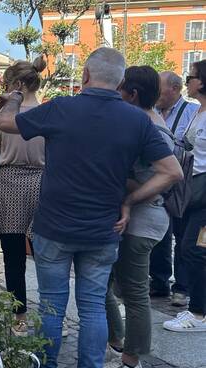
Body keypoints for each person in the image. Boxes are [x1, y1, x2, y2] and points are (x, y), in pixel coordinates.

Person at [0, 47, 183, 368]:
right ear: (120, 80)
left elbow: (7, 122)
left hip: (53, 227)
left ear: (84, 76)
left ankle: (48, 364)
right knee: (94, 306)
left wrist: (14, 95)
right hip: (103, 230)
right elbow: (172, 172)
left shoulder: (61, 108)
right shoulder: (137, 119)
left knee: (52, 306)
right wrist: (129, 199)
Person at [104, 66, 174, 368]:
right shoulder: (146, 122)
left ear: (131, 94)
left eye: (120, 89)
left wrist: (127, 194)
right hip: (138, 220)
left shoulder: (149, 128)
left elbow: (164, 177)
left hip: (141, 222)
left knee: (133, 293)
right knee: (108, 285)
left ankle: (131, 358)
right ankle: (118, 340)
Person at [0, 58, 45, 336]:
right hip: (41, 184)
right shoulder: (47, 114)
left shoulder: (3, 116)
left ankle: (20, 318)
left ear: (16, 84)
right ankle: (54, 315)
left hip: (8, 185)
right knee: (48, 256)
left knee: (13, 257)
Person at [149, 71, 200, 304]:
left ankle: (182, 287)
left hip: (184, 181)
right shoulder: (154, 112)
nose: (156, 94)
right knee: (159, 233)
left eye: (159, 89)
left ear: (174, 89)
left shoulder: (192, 111)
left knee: (182, 234)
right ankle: (159, 281)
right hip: (159, 178)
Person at [163, 59, 206, 333]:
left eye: (190, 77)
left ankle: (199, 314)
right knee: (191, 248)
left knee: (196, 249)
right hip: (192, 190)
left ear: (202, 82)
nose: (187, 81)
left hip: (204, 194)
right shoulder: (198, 112)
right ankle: (197, 309)